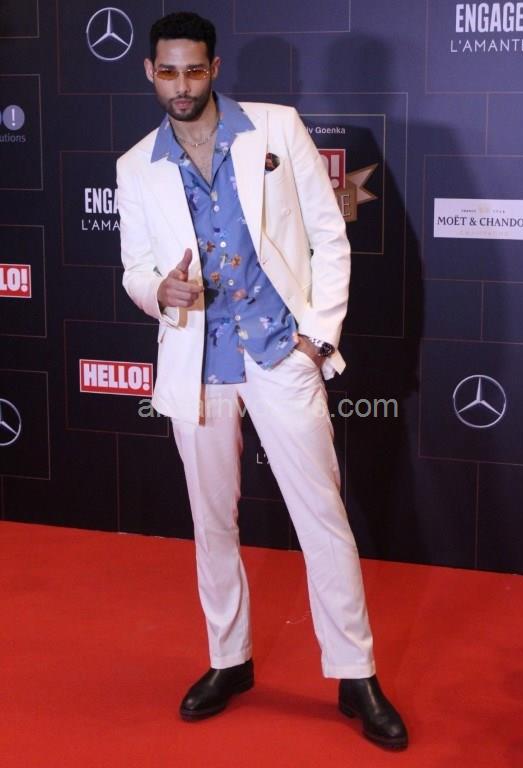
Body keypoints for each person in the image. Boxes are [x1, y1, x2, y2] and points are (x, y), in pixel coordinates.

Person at [117, 11, 408, 750]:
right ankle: (229, 659)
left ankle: (355, 674)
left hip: (281, 352)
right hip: (199, 364)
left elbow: (328, 234)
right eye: (167, 71)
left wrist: (318, 337)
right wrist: (159, 292)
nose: (182, 85)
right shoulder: (134, 166)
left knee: (323, 517)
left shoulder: (276, 128)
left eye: (194, 69)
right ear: (150, 73)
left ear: (214, 68)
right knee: (213, 523)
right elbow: (135, 268)